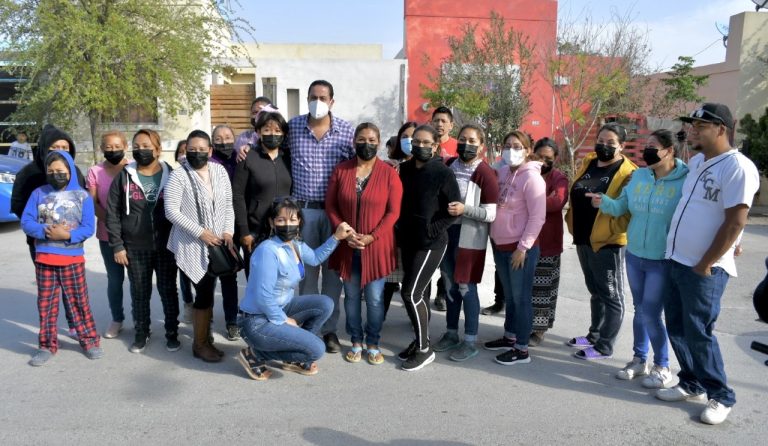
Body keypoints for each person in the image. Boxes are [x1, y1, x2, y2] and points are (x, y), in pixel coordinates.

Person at [656, 103, 759, 425]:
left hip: (704, 268)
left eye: (701, 125)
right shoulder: (698, 160)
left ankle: (721, 395)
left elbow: (736, 220)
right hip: (677, 260)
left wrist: (707, 262)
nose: (694, 130)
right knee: (676, 325)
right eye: (692, 124)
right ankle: (691, 382)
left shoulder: (738, 167)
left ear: (722, 129)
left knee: (699, 331)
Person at [587, 129, 688, 387]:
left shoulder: (686, 179)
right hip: (635, 256)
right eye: (646, 145)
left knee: (651, 313)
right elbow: (622, 206)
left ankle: (662, 366)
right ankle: (639, 359)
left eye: (654, 146)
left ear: (669, 151)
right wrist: (604, 202)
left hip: (662, 259)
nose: (647, 151)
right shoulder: (639, 176)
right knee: (640, 310)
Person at [236, 199, 353, 380]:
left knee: (325, 303)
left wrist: (336, 237)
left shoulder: (295, 244)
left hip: (281, 307)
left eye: (292, 219)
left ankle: (293, 353)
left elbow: (314, 258)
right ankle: (255, 354)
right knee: (317, 349)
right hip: (256, 321)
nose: (287, 224)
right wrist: (282, 320)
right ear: (271, 222)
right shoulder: (268, 250)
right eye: (281, 220)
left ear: (299, 221)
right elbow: (263, 297)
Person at [325, 122, 403, 365]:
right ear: (354, 141)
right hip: (348, 246)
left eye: (371, 140)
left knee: (375, 298)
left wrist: (372, 236)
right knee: (350, 296)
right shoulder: (342, 170)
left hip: (376, 247)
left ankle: (373, 342)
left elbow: (393, 212)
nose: (366, 144)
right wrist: (345, 233)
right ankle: (356, 340)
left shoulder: (389, 173)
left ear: (378, 144)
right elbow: (331, 206)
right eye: (361, 139)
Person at [287, 79, 355, 353]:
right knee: (305, 274)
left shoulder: (346, 131)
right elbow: (264, 141)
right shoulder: (293, 128)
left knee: (331, 274)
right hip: (302, 212)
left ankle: (329, 330)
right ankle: (307, 327)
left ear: (332, 101)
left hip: (333, 213)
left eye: (323, 97)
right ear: (307, 99)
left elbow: (359, 164)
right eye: (313, 96)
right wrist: (244, 146)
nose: (318, 101)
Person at [21, 150, 101, 366]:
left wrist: (67, 235)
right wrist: (45, 231)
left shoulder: (82, 196)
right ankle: (46, 345)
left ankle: (90, 340)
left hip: (72, 260)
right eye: (51, 171)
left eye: (61, 171)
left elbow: (88, 228)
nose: (56, 174)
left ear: (70, 171)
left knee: (79, 302)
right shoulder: (38, 193)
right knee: (46, 305)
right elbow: (26, 221)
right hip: (45, 259)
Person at [565, 123, 637, 360]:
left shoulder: (628, 172)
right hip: (584, 238)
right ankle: (594, 335)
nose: (604, 146)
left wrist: (612, 230)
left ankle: (605, 345)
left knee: (611, 295)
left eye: (611, 143)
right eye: (601, 140)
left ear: (622, 146)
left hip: (608, 242)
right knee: (595, 290)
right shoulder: (589, 162)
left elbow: (628, 209)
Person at [165, 130, 236, 363]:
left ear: (210, 151)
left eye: (201, 150)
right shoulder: (178, 175)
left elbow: (228, 203)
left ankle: (205, 337)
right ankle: (200, 344)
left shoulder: (219, 171)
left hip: (218, 242)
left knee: (209, 288)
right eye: (191, 150)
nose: (196, 154)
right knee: (204, 290)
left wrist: (228, 231)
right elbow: (171, 211)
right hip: (192, 244)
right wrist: (201, 233)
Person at [107, 129, 179, 354]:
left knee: (168, 291)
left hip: (167, 245)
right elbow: (112, 212)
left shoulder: (172, 174)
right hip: (135, 247)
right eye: (137, 146)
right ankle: (141, 332)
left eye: (146, 146)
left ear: (157, 149)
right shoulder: (124, 175)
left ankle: (172, 332)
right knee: (139, 292)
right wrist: (118, 245)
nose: (141, 150)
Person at [11, 124, 86, 338]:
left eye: (65, 146)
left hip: (71, 243)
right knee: (49, 289)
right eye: (55, 146)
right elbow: (18, 204)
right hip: (41, 243)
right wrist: (42, 228)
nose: (60, 150)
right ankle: (49, 334)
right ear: (45, 148)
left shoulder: (75, 172)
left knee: (72, 289)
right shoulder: (29, 174)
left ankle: (74, 324)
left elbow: (83, 203)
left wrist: (72, 231)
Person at [396, 124, 460, 371]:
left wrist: (433, 229)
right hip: (408, 241)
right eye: (416, 142)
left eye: (426, 143)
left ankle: (425, 350)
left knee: (410, 294)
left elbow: (453, 209)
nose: (420, 146)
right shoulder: (403, 169)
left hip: (431, 243)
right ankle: (419, 341)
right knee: (418, 294)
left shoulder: (442, 173)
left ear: (435, 146)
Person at [432, 124, 499, 362]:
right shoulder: (449, 165)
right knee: (450, 285)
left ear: (481, 146)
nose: (466, 144)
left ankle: (469, 340)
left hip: (470, 238)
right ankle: (451, 333)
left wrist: (465, 209)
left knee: (466, 288)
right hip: (447, 234)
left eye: (472, 140)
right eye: (462, 139)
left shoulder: (486, 173)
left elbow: (491, 213)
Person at [485, 131, 546, 365]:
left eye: (518, 146)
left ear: (528, 150)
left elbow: (537, 217)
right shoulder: (501, 172)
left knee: (521, 299)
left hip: (519, 248)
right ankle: (509, 337)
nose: (512, 150)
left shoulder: (532, 179)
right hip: (500, 244)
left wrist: (523, 248)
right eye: (508, 146)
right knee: (510, 297)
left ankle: (521, 349)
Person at [233, 111, 292, 279]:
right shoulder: (247, 157)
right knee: (257, 280)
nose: (272, 134)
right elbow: (237, 196)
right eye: (267, 130)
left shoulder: (288, 158)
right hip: (255, 232)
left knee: (282, 280)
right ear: (258, 132)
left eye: (277, 130)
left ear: (284, 134)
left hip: (284, 231)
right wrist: (245, 232)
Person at [86, 131, 129, 339]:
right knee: (115, 279)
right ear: (102, 149)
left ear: (125, 146)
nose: (113, 150)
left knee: (140, 281)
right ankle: (117, 319)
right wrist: (114, 228)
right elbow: (93, 204)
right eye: (108, 147)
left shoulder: (133, 168)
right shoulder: (95, 172)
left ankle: (141, 318)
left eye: (117, 146)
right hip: (107, 235)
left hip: (135, 235)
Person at [528, 138, 569, 346]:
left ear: (556, 159)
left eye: (548, 158)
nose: (543, 161)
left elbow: (556, 202)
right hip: (524, 240)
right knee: (526, 287)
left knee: (544, 289)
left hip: (548, 242)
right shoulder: (525, 173)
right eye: (540, 156)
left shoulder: (558, 178)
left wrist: (528, 201)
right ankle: (523, 325)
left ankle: (539, 330)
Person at [382, 121, 418, 316]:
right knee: (388, 280)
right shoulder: (390, 167)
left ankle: (419, 328)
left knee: (416, 284)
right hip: (393, 231)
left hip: (416, 234)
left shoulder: (429, 168)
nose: (409, 141)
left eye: (414, 136)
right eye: (405, 137)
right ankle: (377, 323)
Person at [209, 124, 241, 340]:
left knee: (230, 277)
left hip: (239, 226)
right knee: (210, 275)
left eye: (228, 137)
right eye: (218, 138)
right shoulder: (207, 163)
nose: (223, 142)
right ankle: (206, 318)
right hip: (214, 227)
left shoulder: (241, 157)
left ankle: (232, 320)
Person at [428, 106, 456, 311]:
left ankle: (442, 294)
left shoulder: (456, 145)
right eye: (436, 120)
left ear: (451, 125)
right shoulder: (425, 142)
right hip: (429, 210)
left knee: (447, 261)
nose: (439, 124)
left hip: (450, 211)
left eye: (443, 121)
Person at [174, 139, 194, 323]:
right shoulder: (174, 176)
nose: (185, 156)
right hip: (181, 233)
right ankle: (188, 304)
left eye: (188, 151)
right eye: (181, 152)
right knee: (184, 273)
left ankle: (204, 308)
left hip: (201, 235)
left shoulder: (204, 175)